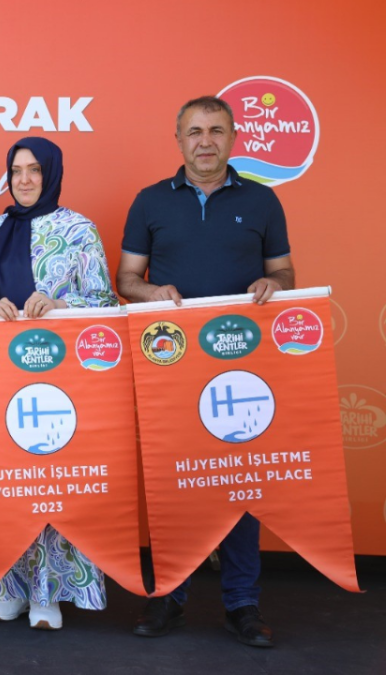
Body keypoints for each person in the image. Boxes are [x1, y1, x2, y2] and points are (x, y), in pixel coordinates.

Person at [118, 95, 292, 648]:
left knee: (240, 480)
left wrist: (274, 285)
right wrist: (151, 291)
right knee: (175, 480)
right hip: (172, 362)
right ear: (179, 140)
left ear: (234, 137)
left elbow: (284, 272)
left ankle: (242, 604)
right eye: (194, 132)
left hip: (243, 364)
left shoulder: (262, 200)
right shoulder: (150, 201)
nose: (205, 142)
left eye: (216, 130)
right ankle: (169, 595)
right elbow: (126, 279)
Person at [0, 136, 118, 630]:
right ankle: (10, 587)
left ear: (51, 173)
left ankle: (48, 593)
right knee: (6, 481)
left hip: (60, 377)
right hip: (0, 377)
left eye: (35, 169)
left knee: (52, 481)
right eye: (16, 171)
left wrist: (58, 305)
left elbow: (104, 302)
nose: (25, 179)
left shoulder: (78, 229)